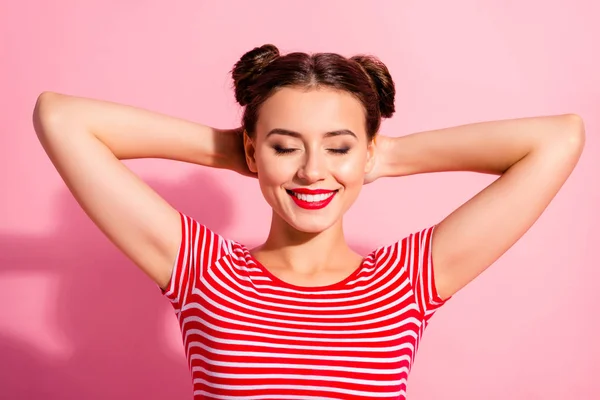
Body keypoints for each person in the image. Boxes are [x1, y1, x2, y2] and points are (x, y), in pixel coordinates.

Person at [32, 44, 585, 399]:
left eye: (338, 148)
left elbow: (558, 139)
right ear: (254, 151)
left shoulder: (406, 280)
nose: (312, 172)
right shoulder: (203, 269)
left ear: (367, 152)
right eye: (285, 147)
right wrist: (244, 151)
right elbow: (61, 118)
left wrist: (382, 157)